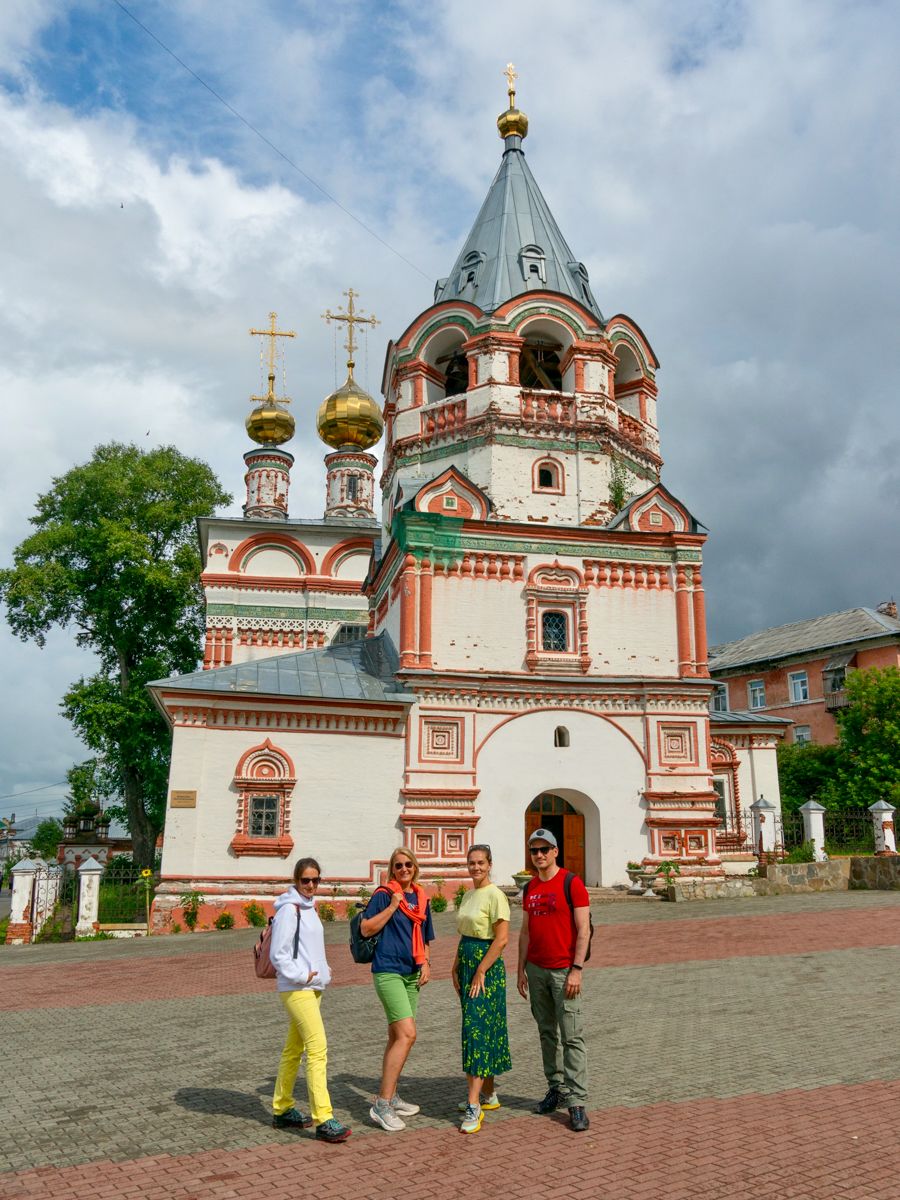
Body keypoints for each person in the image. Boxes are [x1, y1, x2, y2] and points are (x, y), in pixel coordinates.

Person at [270, 857, 352, 1144]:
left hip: (312, 986)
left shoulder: (309, 908)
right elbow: (278, 954)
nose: (311, 885)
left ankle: (282, 1108)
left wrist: (324, 970)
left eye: (316, 880)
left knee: (294, 1049)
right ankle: (324, 1118)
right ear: (296, 880)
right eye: (305, 880)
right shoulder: (289, 911)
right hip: (297, 988)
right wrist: (303, 975)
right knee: (318, 1050)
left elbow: (310, 947)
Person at [516, 827, 591, 1133]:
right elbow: (525, 931)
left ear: (556, 851)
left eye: (545, 849)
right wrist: (520, 968)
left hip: (564, 971)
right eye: (535, 850)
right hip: (536, 969)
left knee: (571, 1035)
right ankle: (556, 1088)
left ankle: (576, 1101)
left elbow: (583, 930)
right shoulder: (530, 887)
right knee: (547, 1033)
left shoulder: (572, 883)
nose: (539, 855)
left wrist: (576, 969)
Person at [360, 846, 434, 1132]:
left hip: (412, 972)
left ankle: (389, 1094)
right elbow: (366, 929)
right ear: (392, 870)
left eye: (408, 865)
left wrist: (426, 962)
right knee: (407, 1034)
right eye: (398, 866)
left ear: (415, 868)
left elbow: (425, 934)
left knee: (395, 1037)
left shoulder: (421, 897)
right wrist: (393, 905)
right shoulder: (383, 895)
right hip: (388, 970)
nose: (404, 870)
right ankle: (382, 1105)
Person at [452, 843, 511, 1134]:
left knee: (476, 1031)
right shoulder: (469, 894)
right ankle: (489, 1095)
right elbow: (465, 932)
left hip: (485, 970)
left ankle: (474, 1105)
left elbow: (500, 940)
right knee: (480, 1028)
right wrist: (456, 963)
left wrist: (480, 971)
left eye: (480, 863)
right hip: (468, 964)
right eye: (471, 862)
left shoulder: (496, 895)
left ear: (490, 865)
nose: (475, 867)